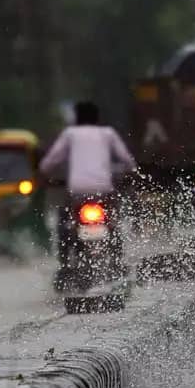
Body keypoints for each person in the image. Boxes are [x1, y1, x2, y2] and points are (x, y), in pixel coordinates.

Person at [39, 101, 137, 285]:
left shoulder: (70, 134)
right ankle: (117, 261)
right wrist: (130, 174)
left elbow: (49, 162)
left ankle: (66, 264)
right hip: (104, 190)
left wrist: (44, 175)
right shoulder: (108, 133)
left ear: (76, 118)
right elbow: (127, 161)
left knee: (65, 224)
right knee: (113, 223)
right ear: (97, 118)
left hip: (78, 191)